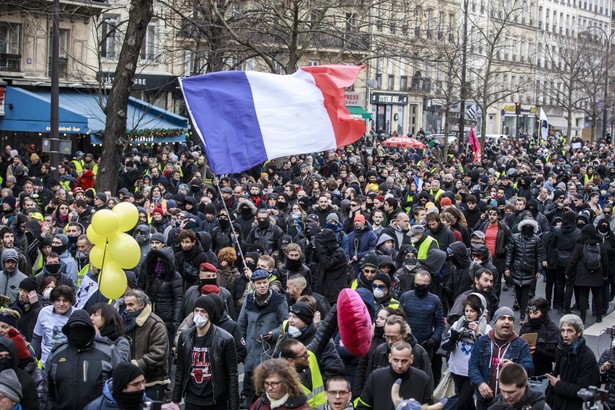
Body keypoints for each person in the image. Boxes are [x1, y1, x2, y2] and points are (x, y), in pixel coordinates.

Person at [172, 295, 239, 410]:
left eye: (203, 311)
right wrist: (175, 399)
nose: (199, 314)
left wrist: (233, 406)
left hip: (215, 400)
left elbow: (232, 375)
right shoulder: (185, 337)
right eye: (196, 311)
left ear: (210, 314)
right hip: (192, 399)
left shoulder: (225, 339)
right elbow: (180, 370)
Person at [46, 309, 121, 409]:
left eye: (82, 328)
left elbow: (120, 385)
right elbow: (47, 388)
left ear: (90, 329)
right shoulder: (56, 354)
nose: (78, 331)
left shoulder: (108, 351)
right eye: (74, 328)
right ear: (68, 330)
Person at [238, 269, 288, 406]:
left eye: (265, 282)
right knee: (248, 392)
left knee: (265, 393)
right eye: (259, 283)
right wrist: (242, 345)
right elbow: (241, 324)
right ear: (253, 284)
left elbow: (285, 324)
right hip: (250, 352)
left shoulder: (279, 300)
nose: (262, 285)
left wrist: (273, 334)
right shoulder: (248, 300)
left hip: (269, 352)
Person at [469, 307, 534, 410]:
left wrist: (515, 367)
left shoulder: (521, 345)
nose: (507, 322)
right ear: (495, 322)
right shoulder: (482, 341)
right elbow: (473, 366)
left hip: (509, 403)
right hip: (484, 401)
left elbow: (529, 368)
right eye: (502, 318)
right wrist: (480, 383)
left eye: (510, 319)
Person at [441, 294, 490, 410]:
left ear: (479, 312)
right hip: (457, 369)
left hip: (473, 372)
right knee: (467, 404)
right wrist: (452, 338)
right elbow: (445, 346)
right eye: (466, 311)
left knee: (461, 403)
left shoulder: (486, 328)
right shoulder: (457, 324)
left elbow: (487, 350)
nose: (468, 314)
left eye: (472, 311)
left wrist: (478, 332)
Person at [122, 289, 170, 401]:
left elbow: (159, 354)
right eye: (126, 305)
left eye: (131, 304)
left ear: (142, 305)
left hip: (152, 382)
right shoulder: (125, 322)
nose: (127, 308)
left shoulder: (155, 324)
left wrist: (136, 364)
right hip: (131, 382)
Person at [356, 341, 432, 410]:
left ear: (411, 359)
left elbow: (428, 406)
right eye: (396, 360)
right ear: (390, 358)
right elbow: (363, 406)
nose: (399, 365)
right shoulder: (375, 377)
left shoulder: (422, 379)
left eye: (404, 361)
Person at [545, 314, 599, 410]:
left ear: (578, 333)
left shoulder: (587, 357)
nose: (565, 335)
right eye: (563, 330)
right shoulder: (560, 349)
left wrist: (558, 385)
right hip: (556, 403)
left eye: (570, 331)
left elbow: (584, 390)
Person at [564, 224, 608, 323]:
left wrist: (568, 271)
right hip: (597, 272)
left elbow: (573, 259)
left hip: (583, 273)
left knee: (583, 296)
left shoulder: (580, 244)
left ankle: (582, 317)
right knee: (597, 295)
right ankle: (599, 317)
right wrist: (605, 273)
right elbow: (604, 259)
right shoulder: (599, 243)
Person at [505, 217, 545, 323]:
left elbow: (538, 256)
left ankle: (523, 314)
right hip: (517, 269)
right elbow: (510, 253)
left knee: (526, 294)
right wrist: (507, 267)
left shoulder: (536, 239)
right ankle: (523, 312)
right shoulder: (515, 238)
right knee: (518, 293)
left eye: (530, 227)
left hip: (529, 270)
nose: (527, 228)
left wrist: (538, 270)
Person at [31, 285, 75, 365]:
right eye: (58, 300)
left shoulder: (77, 314)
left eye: (65, 300)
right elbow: (37, 337)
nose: (61, 304)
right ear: (52, 301)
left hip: (68, 364)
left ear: (71, 302)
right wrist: (32, 357)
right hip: (46, 363)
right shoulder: (44, 312)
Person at [519, 297, 559, 376]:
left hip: (543, 375)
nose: (532, 316)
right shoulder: (526, 326)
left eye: (535, 313)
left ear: (543, 312)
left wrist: (539, 351)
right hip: (523, 374)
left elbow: (556, 357)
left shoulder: (553, 330)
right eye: (530, 313)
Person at [84, 361, 150, 410]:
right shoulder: (96, 407)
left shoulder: (150, 406)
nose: (142, 387)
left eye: (143, 382)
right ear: (121, 386)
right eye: (136, 384)